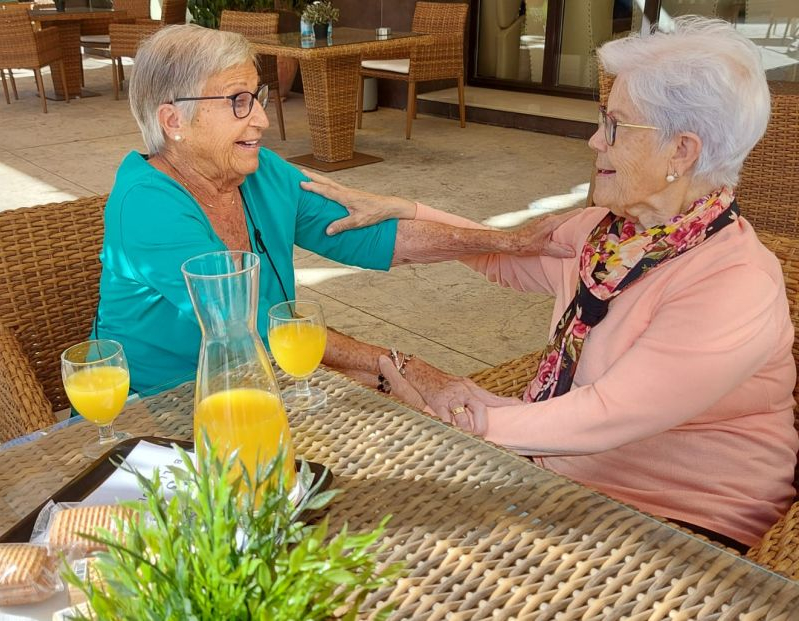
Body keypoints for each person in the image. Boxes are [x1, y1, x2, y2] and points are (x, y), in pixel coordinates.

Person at [301, 17, 798, 551]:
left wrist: (462, 422)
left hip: (685, 523)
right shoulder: (613, 236)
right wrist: (408, 209)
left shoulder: (734, 285)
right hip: (573, 474)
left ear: (681, 151)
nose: (593, 140)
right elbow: (504, 254)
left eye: (615, 126)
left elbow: (607, 415)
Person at [93, 24, 575, 395]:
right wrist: (397, 364)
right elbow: (249, 327)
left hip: (263, 383)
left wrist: (510, 241)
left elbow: (374, 236)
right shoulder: (146, 205)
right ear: (174, 119)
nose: (260, 118)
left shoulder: (259, 172)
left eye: (257, 96)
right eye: (239, 101)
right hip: (161, 407)